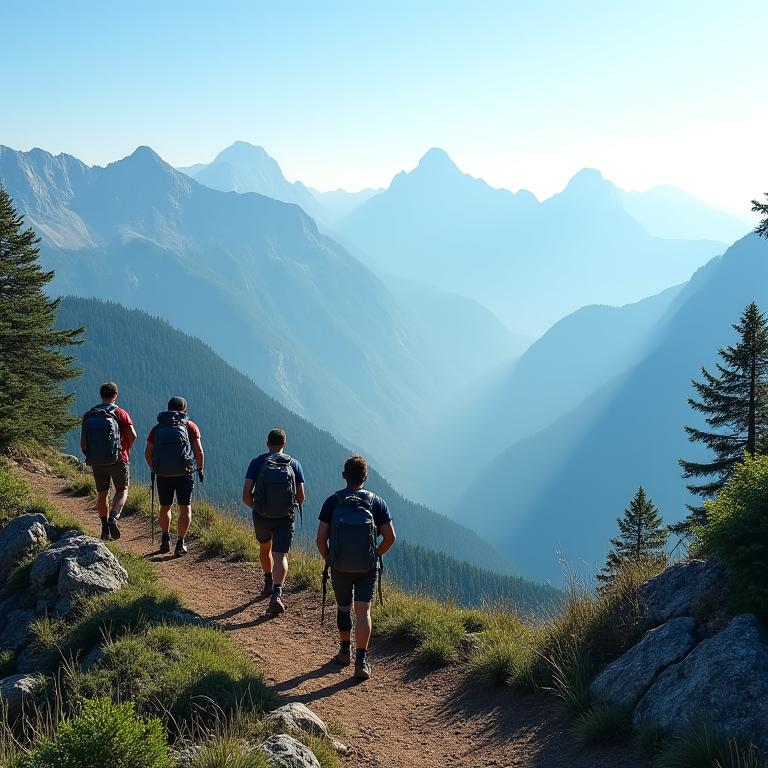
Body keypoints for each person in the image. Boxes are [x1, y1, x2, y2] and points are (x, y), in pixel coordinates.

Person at [316, 455, 396, 681]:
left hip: (340, 566)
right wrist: (375, 555)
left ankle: (344, 652)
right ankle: (361, 660)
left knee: (343, 608)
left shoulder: (333, 502)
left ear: (344, 476)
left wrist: (330, 559)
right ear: (366, 477)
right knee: (363, 612)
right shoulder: (376, 502)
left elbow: (320, 539)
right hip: (366, 568)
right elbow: (390, 537)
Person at [242, 429, 305, 616]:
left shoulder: (257, 462)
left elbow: (245, 495)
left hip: (261, 516)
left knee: (265, 548)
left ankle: (268, 581)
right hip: (285, 517)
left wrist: (258, 508)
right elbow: (301, 497)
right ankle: (277, 595)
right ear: (284, 444)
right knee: (280, 556)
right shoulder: (294, 464)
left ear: (267, 443)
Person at [144, 396, 204, 556]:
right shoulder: (190, 426)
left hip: (163, 474)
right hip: (185, 473)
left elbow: (147, 453)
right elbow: (199, 451)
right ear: (184, 409)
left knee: (165, 506)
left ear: (168, 408)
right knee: (185, 507)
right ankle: (180, 543)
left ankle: (165, 539)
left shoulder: (158, 428)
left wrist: (155, 469)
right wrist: (200, 468)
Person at [80, 382, 137, 541]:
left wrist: (91, 455)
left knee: (102, 494)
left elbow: (83, 443)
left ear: (101, 394)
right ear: (115, 395)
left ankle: (104, 528)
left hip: (96, 460)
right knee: (122, 490)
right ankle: (114, 517)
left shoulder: (89, 415)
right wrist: (125, 449)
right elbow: (133, 435)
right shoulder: (120, 413)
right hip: (118, 459)